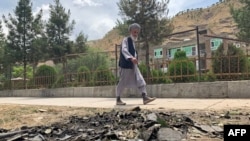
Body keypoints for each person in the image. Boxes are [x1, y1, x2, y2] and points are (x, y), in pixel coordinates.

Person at [116, 23, 156, 105]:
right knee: (123, 82)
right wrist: (131, 58)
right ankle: (118, 99)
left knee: (140, 79)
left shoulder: (133, 42)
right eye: (134, 32)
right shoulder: (126, 40)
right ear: (130, 31)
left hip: (133, 65)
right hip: (126, 65)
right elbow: (124, 50)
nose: (136, 34)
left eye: (137, 32)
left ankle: (145, 97)